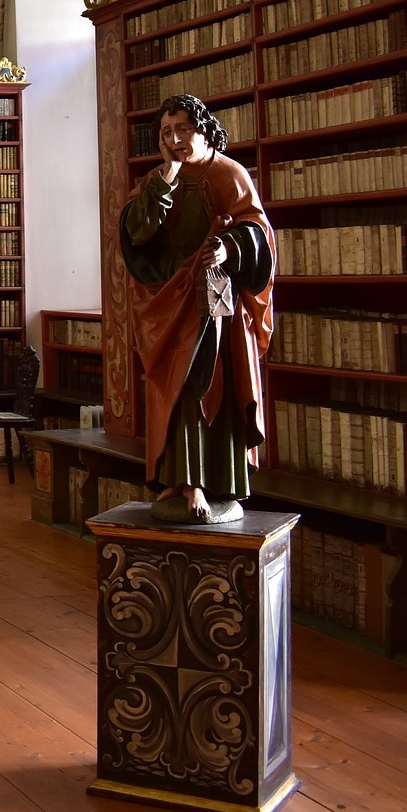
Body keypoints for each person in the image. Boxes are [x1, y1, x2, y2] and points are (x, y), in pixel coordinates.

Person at [118, 93, 274, 523]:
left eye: (183, 129)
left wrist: (229, 248)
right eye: (166, 132)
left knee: (209, 386)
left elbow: (258, 233)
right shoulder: (157, 179)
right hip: (171, 302)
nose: (175, 139)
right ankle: (179, 479)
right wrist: (167, 176)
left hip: (215, 301)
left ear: (203, 130)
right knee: (176, 388)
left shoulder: (229, 174)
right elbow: (135, 232)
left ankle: (211, 483)